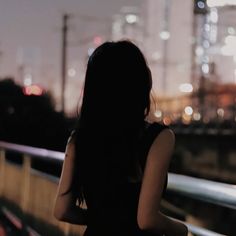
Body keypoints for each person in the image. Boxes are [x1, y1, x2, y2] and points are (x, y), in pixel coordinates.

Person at [54, 40, 188, 236]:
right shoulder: (158, 138)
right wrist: (182, 229)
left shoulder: (78, 139)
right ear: (140, 84)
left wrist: (101, 218)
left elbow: (62, 210)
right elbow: (146, 219)